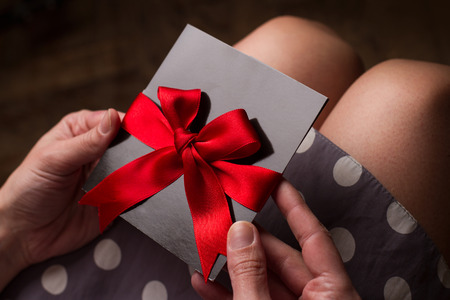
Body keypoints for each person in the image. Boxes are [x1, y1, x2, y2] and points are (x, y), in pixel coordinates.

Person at [1, 16, 449, 299]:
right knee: (416, 102)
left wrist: (12, 231)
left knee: (295, 42)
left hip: (49, 252)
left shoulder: (28, 231)